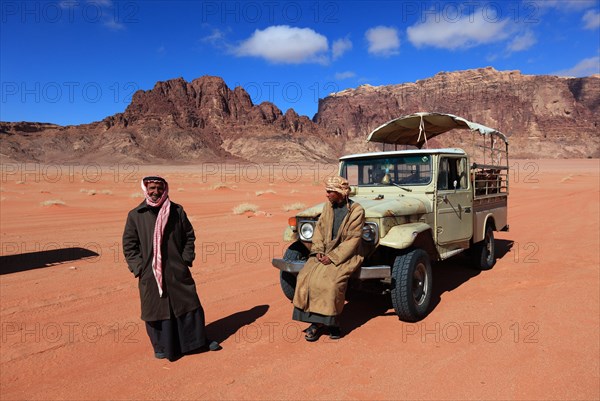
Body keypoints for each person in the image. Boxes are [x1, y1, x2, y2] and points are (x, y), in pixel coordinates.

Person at [122, 175, 220, 361]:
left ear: (165, 189)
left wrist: (185, 259)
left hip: (177, 270)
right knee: (156, 310)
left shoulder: (176, 211)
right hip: (150, 274)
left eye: (159, 188)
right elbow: (129, 245)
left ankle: (195, 343)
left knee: (188, 304)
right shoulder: (136, 215)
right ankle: (162, 347)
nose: (155, 192)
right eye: (152, 188)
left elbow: (189, 236)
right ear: (145, 189)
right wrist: (139, 268)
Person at [292, 176, 365, 341]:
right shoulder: (328, 207)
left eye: (330, 191)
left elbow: (352, 240)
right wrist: (317, 250)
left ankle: (332, 323)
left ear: (340, 192)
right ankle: (315, 322)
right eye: (327, 191)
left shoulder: (356, 210)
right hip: (323, 252)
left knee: (331, 283)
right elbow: (319, 230)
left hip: (346, 255)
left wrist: (332, 257)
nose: (327, 194)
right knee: (305, 277)